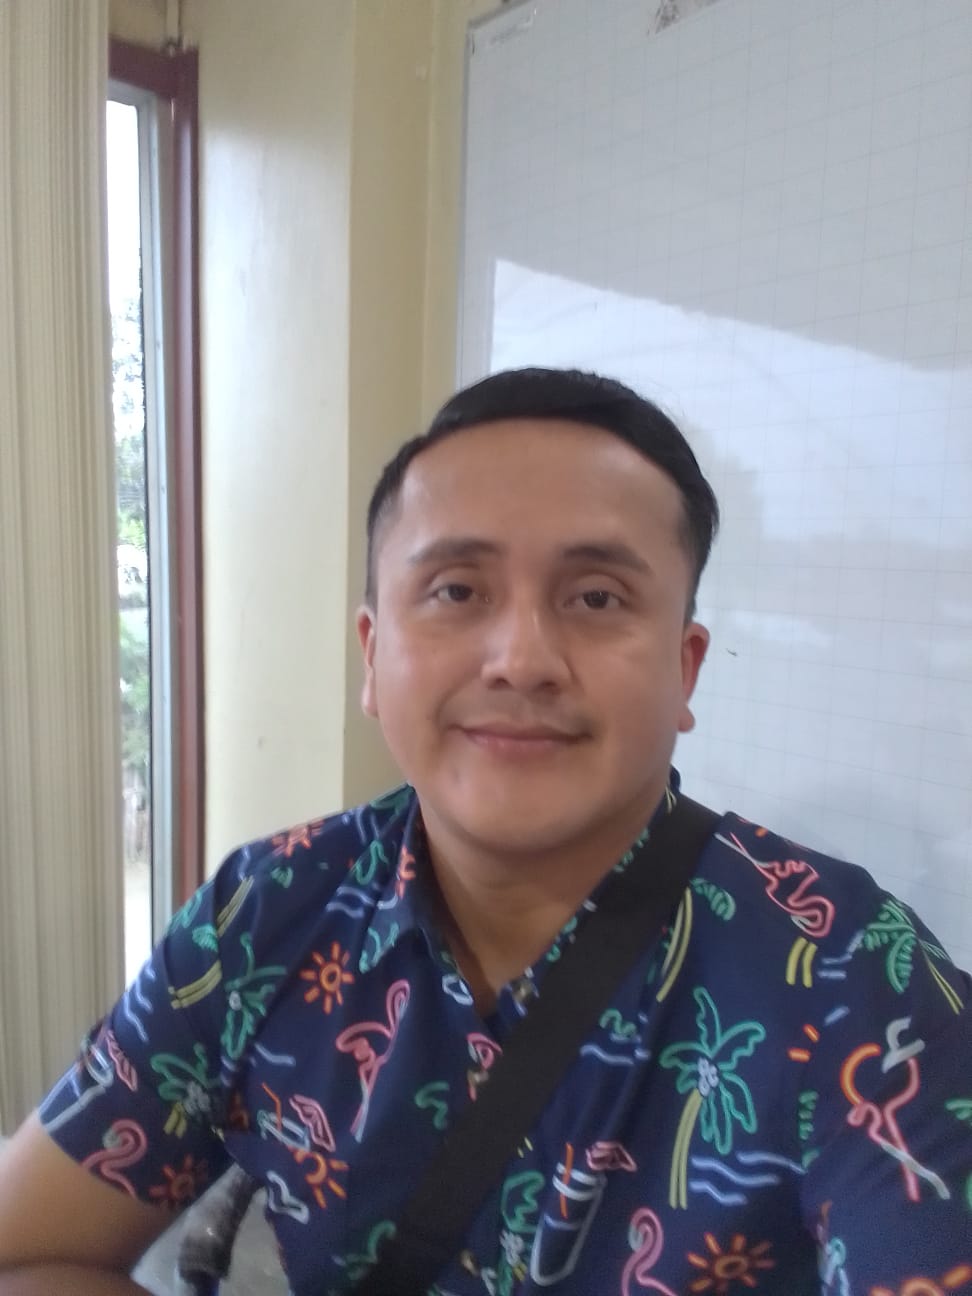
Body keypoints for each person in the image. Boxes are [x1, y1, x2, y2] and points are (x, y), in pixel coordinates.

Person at [1, 367, 969, 1296]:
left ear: (685, 669)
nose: (521, 659)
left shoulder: (854, 979)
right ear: (373, 655)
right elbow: (26, 1250)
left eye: (596, 598)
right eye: (457, 590)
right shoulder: (265, 914)